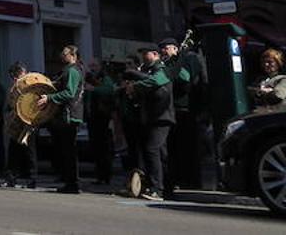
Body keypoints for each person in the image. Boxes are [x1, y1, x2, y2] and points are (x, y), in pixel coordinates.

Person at [122, 45, 173, 201]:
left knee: (152, 150)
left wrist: (135, 84)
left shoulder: (161, 69)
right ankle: (161, 187)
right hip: (151, 117)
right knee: (157, 153)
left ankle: (157, 189)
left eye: (146, 54)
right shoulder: (148, 70)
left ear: (155, 54)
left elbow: (156, 81)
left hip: (162, 117)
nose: (144, 56)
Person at [159, 35, 206, 194]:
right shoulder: (169, 63)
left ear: (175, 48)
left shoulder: (186, 60)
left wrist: (174, 65)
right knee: (173, 149)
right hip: (172, 109)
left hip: (185, 110)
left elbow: (185, 79)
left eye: (167, 48)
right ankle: (175, 179)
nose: (163, 51)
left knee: (187, 147)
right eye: (162, 49)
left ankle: (190, 181)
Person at [38, 45, 84, 194]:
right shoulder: (68, 70)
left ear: (73, 55)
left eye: (65, 53)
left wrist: (49, 98)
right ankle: (69, 181)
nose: (61, 55)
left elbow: (69, 93)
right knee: (65, 151)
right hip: (66, 115)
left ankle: (73, 184)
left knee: (69, 151)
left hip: (69, 115)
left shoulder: (72, 70)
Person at [1, 62, 36, 190]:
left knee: (28, 151)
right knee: (14, 151)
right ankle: (12, 177)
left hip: (28, 122)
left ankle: (31, 178)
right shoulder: (15, 87)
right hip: (17, 123)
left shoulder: (30, 84)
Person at [83, 59, 117, 185]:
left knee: (104, 148)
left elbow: (109, 91)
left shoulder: (105, 78)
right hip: (93, 118)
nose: (92, 68)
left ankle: (106, 176)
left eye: (94, 65)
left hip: (103, 118)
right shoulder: (89, 79)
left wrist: (94, 89)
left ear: (100, 67)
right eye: (90, 65)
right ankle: (99, 176)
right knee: (96, 148)